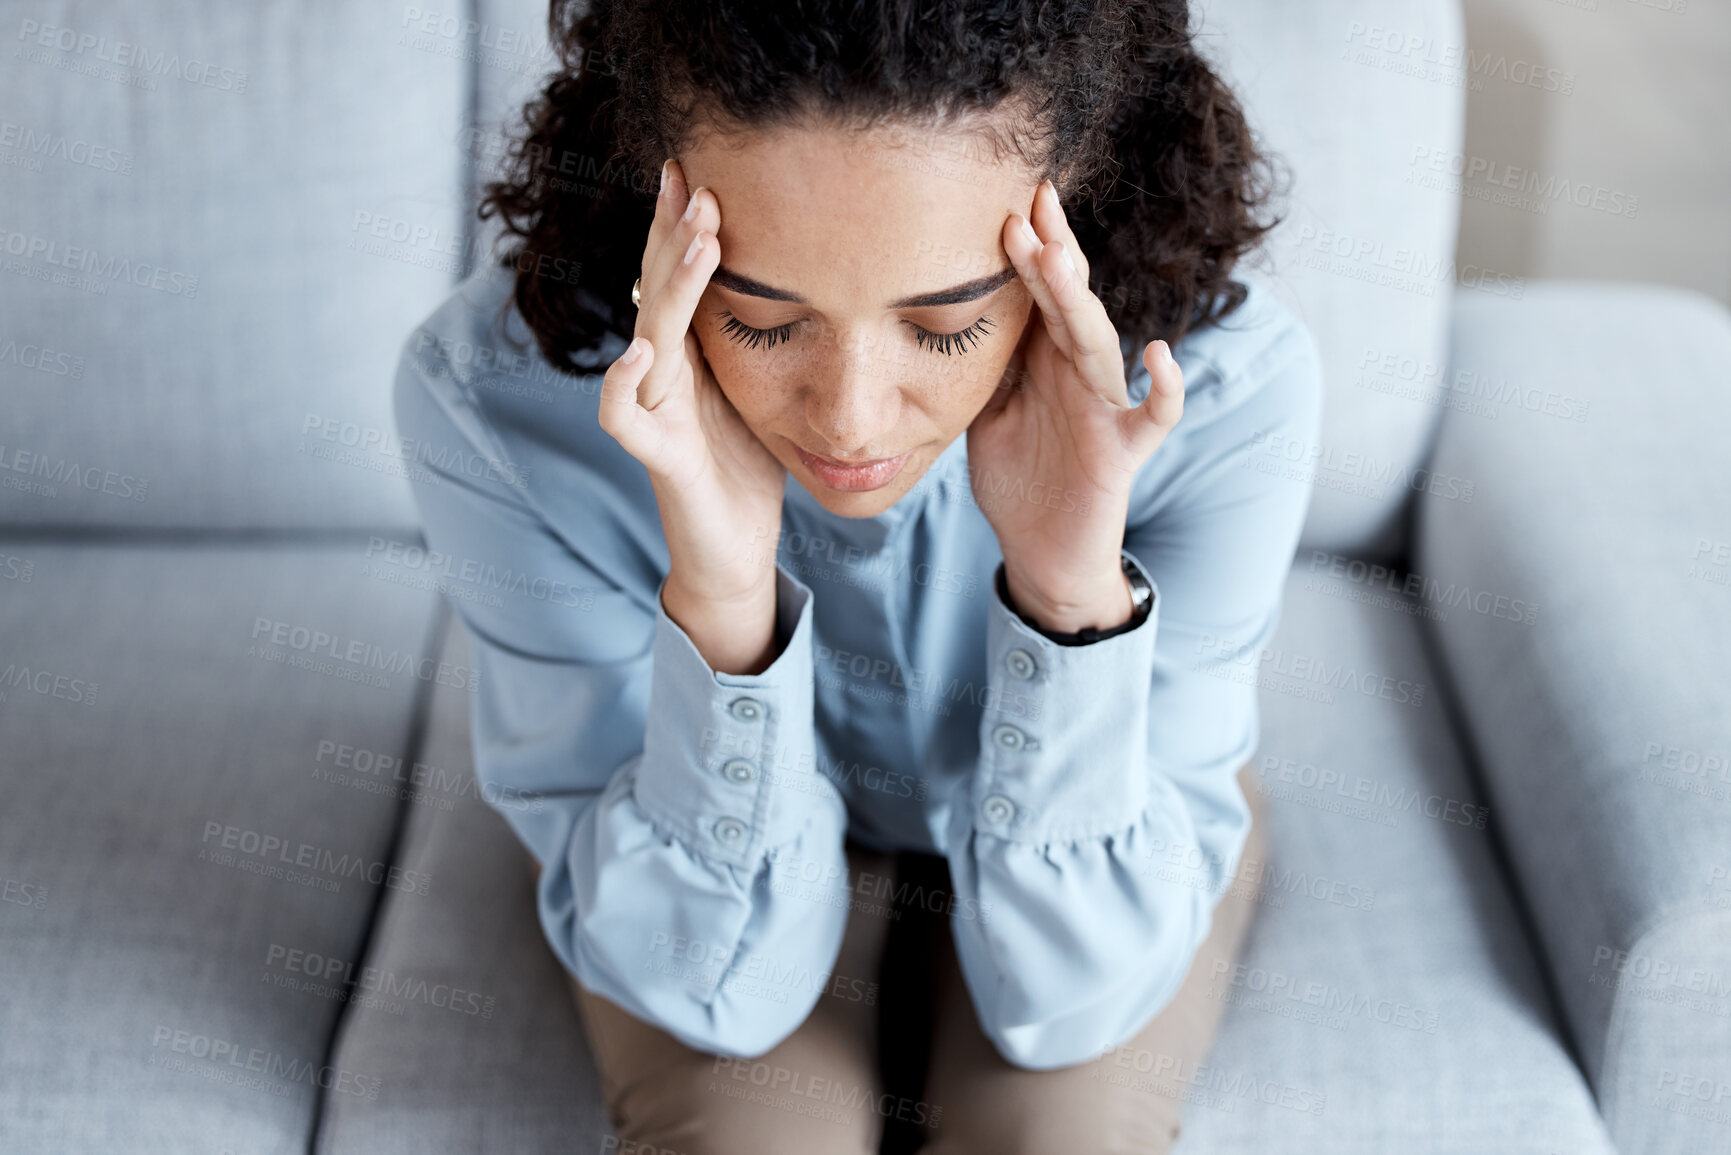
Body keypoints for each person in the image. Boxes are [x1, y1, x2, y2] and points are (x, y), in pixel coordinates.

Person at [394, 0, 1322, 1150]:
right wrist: (728, 603)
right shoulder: (496, 402)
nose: (848, 421)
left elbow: (1070, 1009)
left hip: (1104, 819)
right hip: (675, 824)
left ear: (1068, 225)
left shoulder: (1227, 395)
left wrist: (1068, 595)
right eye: (765, 321)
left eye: (943, 329)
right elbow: (716, 992)